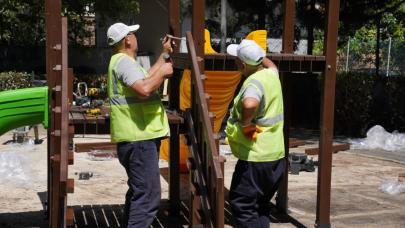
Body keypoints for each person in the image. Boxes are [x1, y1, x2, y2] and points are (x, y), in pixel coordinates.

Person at [106, 22, 173, 227]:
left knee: (139, 192)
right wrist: (164, 73)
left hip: (136, 138)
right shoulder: (124, 63)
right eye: (132, 34)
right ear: (127, 39)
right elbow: (144, 89)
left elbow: (147, 77)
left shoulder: (123, 61)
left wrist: (164, 54)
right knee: (148, 197)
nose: (135, 37)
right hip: (139, 138)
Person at [225, 39, 286, 228]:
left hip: (256, 158)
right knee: (260, 205)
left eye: (237, 59)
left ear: (243, 64)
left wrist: (245, 123)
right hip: (276, 157)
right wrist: (260, 56)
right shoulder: (271, 75)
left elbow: (250, 103)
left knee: (242, 205)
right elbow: (272, 65)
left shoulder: (254, 82)